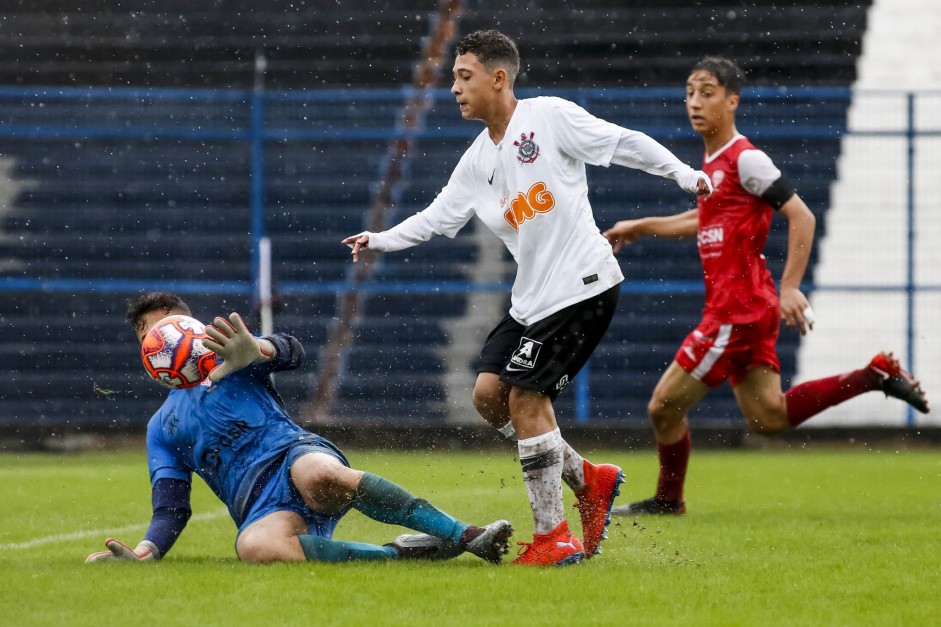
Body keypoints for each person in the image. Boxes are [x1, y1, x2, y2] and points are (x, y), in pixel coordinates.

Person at [341, 30, 711, 566]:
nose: (453, 88)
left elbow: (622, 142)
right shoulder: (476, 160)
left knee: (526, 399)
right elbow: (438, 216)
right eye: (452, 78)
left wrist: (681, 172)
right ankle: (590, 479)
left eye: (463, 77)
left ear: (499, 78)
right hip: (532, 298)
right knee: (489, 396)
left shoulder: (549, 117)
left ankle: (552, 535)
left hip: (583, 285)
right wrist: (380, 239)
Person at [604, 56, 930, 517]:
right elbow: (706, 218)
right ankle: (872, 375)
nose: (695, 103)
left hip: (735, 312)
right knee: (769, 418)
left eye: (707, 92)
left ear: (732, 101)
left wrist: (791, 287)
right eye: (690, 93)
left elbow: (802, 215)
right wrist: (642, 226)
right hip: (747, 309)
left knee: (662, 406)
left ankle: (667, 500)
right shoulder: (713, 164)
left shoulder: (746, 159)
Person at [86, 292, 513, 565]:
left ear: (192, 326)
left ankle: (467, 535)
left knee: (319, 475)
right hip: (262, 508)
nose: (158, 336)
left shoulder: (235, 358)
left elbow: (293, 352)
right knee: (254, 548)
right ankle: (399, 554)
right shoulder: (161, 427)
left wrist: (258, 349)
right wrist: (146, 552)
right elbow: (171, 509)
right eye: (146, 331)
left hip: (295, 455)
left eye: (167, 324)